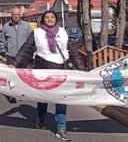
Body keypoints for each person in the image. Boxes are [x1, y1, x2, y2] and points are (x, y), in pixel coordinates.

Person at [12, 10, 85, 141]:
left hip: (61, 70)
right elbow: (26, 49)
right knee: (43, 97)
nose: (50, 19)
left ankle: (61, 128)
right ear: (43, 19)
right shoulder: (37, 33)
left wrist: (82, 70)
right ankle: (41, 118)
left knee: (62, 99)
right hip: (42, 69)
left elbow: (73, 52)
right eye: (47, 17)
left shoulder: (63, 32)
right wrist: (15, 64)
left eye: (52, 17)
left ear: (56, 19)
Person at [0, 7, 33, 103]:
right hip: (11, 55)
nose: (16, 16)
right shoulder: (6, 26)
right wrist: (2, 50)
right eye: (14, 14)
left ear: (20, 15)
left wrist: (31, 51)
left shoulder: (26, 26)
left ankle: (21, 93)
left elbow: (32, 39)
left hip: (24, 56)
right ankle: (12, 94)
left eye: (18, 14)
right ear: (11, 15)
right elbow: (2, 40)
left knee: (22, 76)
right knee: (11, 76)